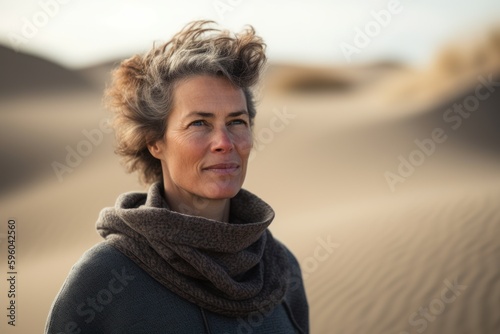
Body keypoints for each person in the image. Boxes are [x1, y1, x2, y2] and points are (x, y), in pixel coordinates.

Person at [45, 20, 309, 334]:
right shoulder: (105, 278)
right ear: (155, 142)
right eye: (199, 123)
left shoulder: (280, 270)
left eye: (237, 121)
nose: (224, 141)